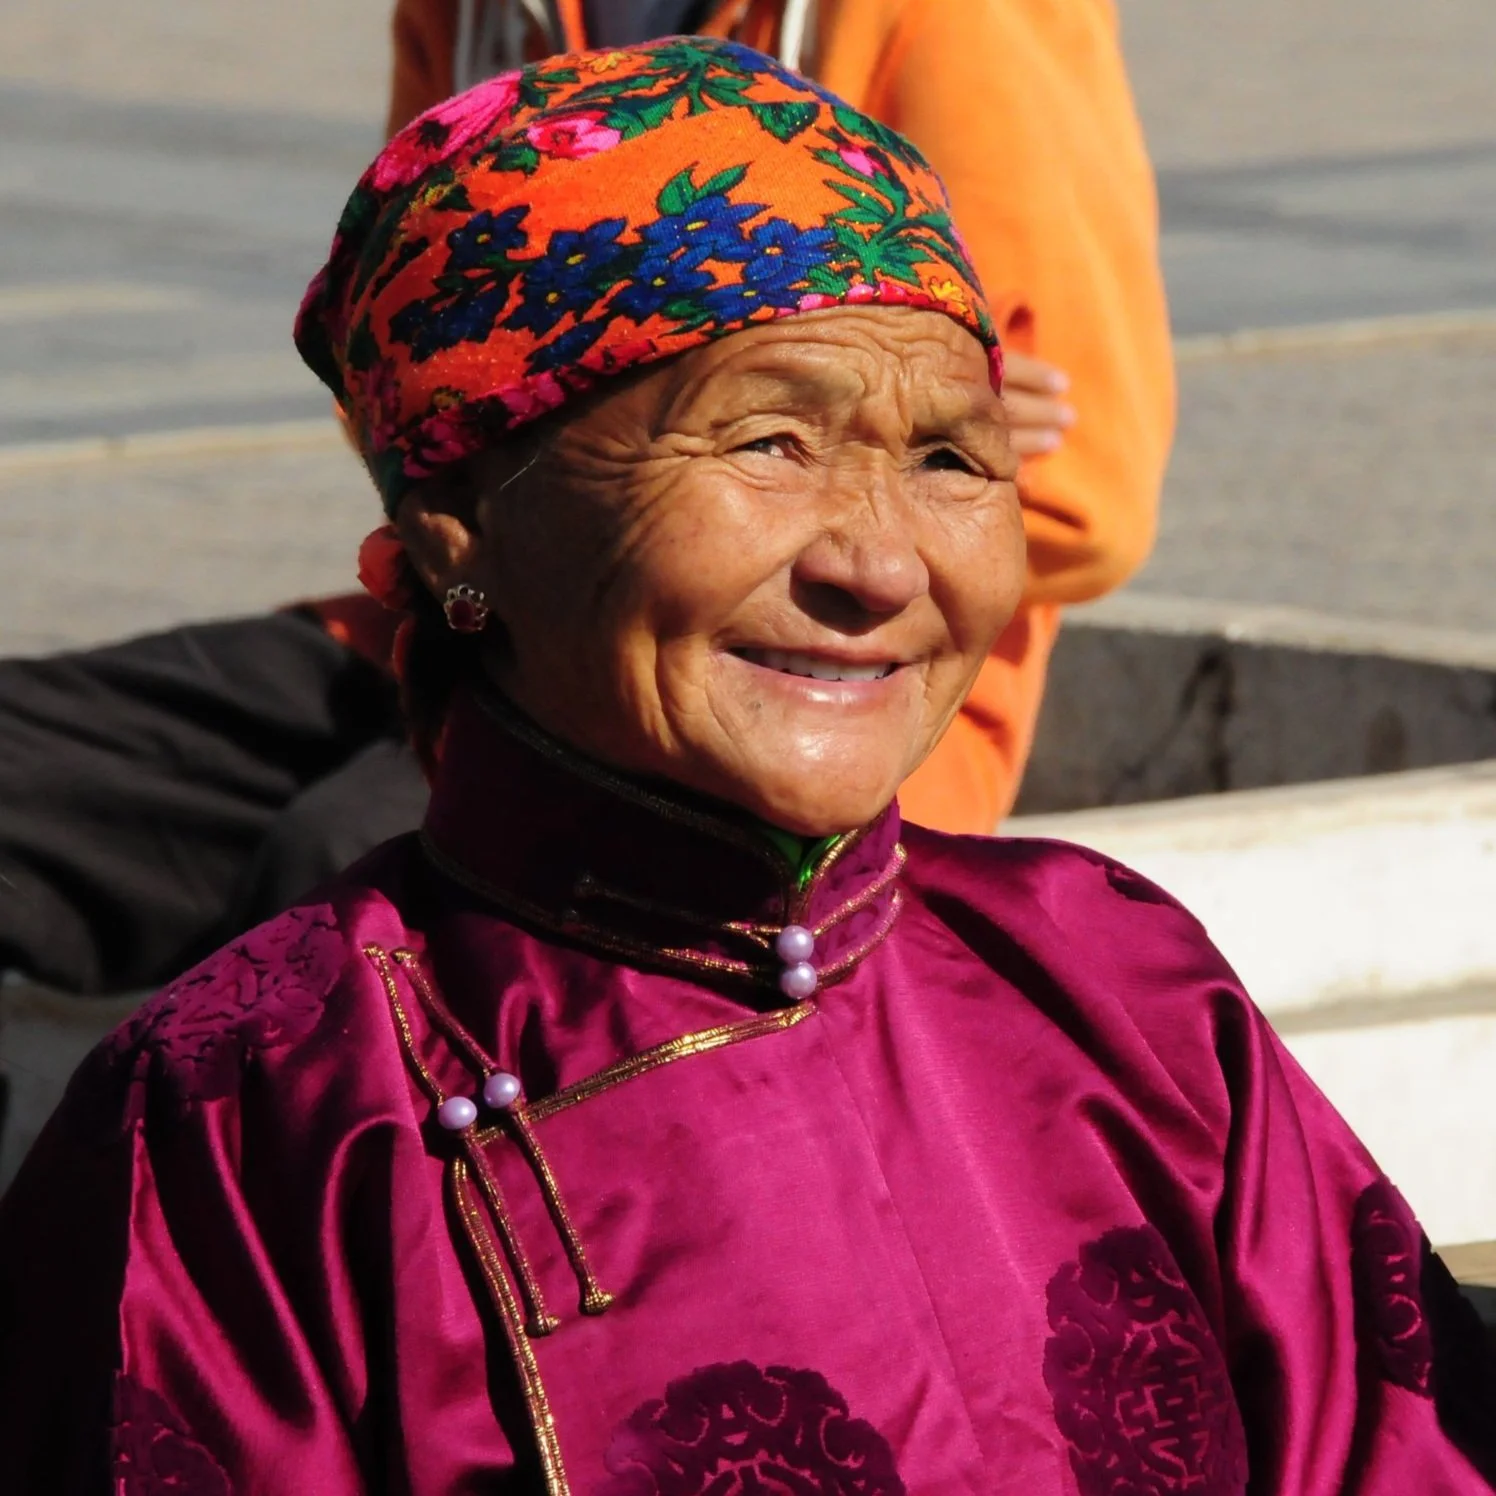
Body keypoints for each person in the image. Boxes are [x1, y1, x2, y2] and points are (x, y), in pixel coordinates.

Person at [0, 43, 1488, 1492]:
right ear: (462, 523)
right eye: (769, 443)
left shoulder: (1122, 988)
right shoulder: (251, 1112)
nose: (879, 563)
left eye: (951, 459)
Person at [0, 0, 1169, 999]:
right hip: (486, 614)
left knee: (362, 862)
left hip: (780, 686)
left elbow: (1076, 491)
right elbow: (405, 362)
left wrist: (801, 424)